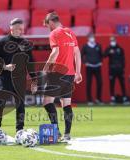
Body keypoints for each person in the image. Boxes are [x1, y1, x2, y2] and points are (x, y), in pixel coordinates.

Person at [42, 12, 82, 142]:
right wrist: (78, 72)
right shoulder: (70, 32)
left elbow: (55, 52)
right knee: (66, 103)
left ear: (51, 22)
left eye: (47, 25)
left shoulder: (54, 33)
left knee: (47, 102)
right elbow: (77, 53)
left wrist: (46, 67)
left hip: (57, 73)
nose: (48, 28)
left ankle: (56, 131)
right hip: (70, 73)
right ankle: (67, 134)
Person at [0, 18, 37, 133]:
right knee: (0, 103)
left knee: (20, 105)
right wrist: (5, 66)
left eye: (22, 29)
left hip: (20, 79)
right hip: (4, 78)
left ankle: (19, 130)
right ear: (11, 28)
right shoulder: (1, 42)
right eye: (18, 29)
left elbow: (30, 63)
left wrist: (34, 80)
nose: (21, 31)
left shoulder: (26, 44)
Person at [104, 36, 130, 105]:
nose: (112, 42)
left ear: (115, 40)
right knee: (112, 84)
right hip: (112, 69)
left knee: (122, 84)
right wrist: (109, 51)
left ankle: (124, 98)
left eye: (113, 40)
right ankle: (112, 98)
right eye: (111, 41)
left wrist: (123, 67)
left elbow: (123, 59)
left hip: (120, 69)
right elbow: (104, 55)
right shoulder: (109, 48)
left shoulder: (120, 49)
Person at [81, 34, 103, 105]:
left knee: (100, 83)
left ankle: (98, 99)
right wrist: (85, 62)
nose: (92, 39)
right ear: (88, 38)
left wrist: (100, 62)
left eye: (93, 38)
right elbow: (81, 55)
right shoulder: (85, 46)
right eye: (91, 38)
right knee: (89, 83)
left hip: (97, 66)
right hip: (89, 67)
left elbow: (101, 55)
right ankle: (89, 100)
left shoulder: (98, 46)